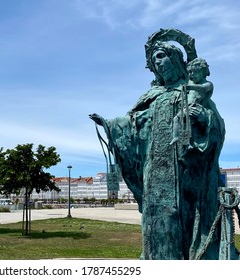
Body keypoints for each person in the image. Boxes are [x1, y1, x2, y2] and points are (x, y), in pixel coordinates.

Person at [90, 32, 225, 260]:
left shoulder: (192, 90)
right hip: (155, 173)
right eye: (154, 60)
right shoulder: (154, 95)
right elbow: (135, 125)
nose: (158, 63)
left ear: (174, 58)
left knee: (182, 217)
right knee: (155, 218)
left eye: (161, 56)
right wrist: (111, 125)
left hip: (184, 171)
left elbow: (216, 125)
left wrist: (203, 118)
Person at [170, 58, 213, 144]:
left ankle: (189, 142)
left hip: (198, 107)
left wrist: (190, 87)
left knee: (190, 123)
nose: (191, 75)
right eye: (190, 72)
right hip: (187, 107)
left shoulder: (208, 84)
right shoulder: (191, 83)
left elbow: (203, 89)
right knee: (176, 119)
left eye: (195, 72)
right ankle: (176, 137)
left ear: (203, 72)